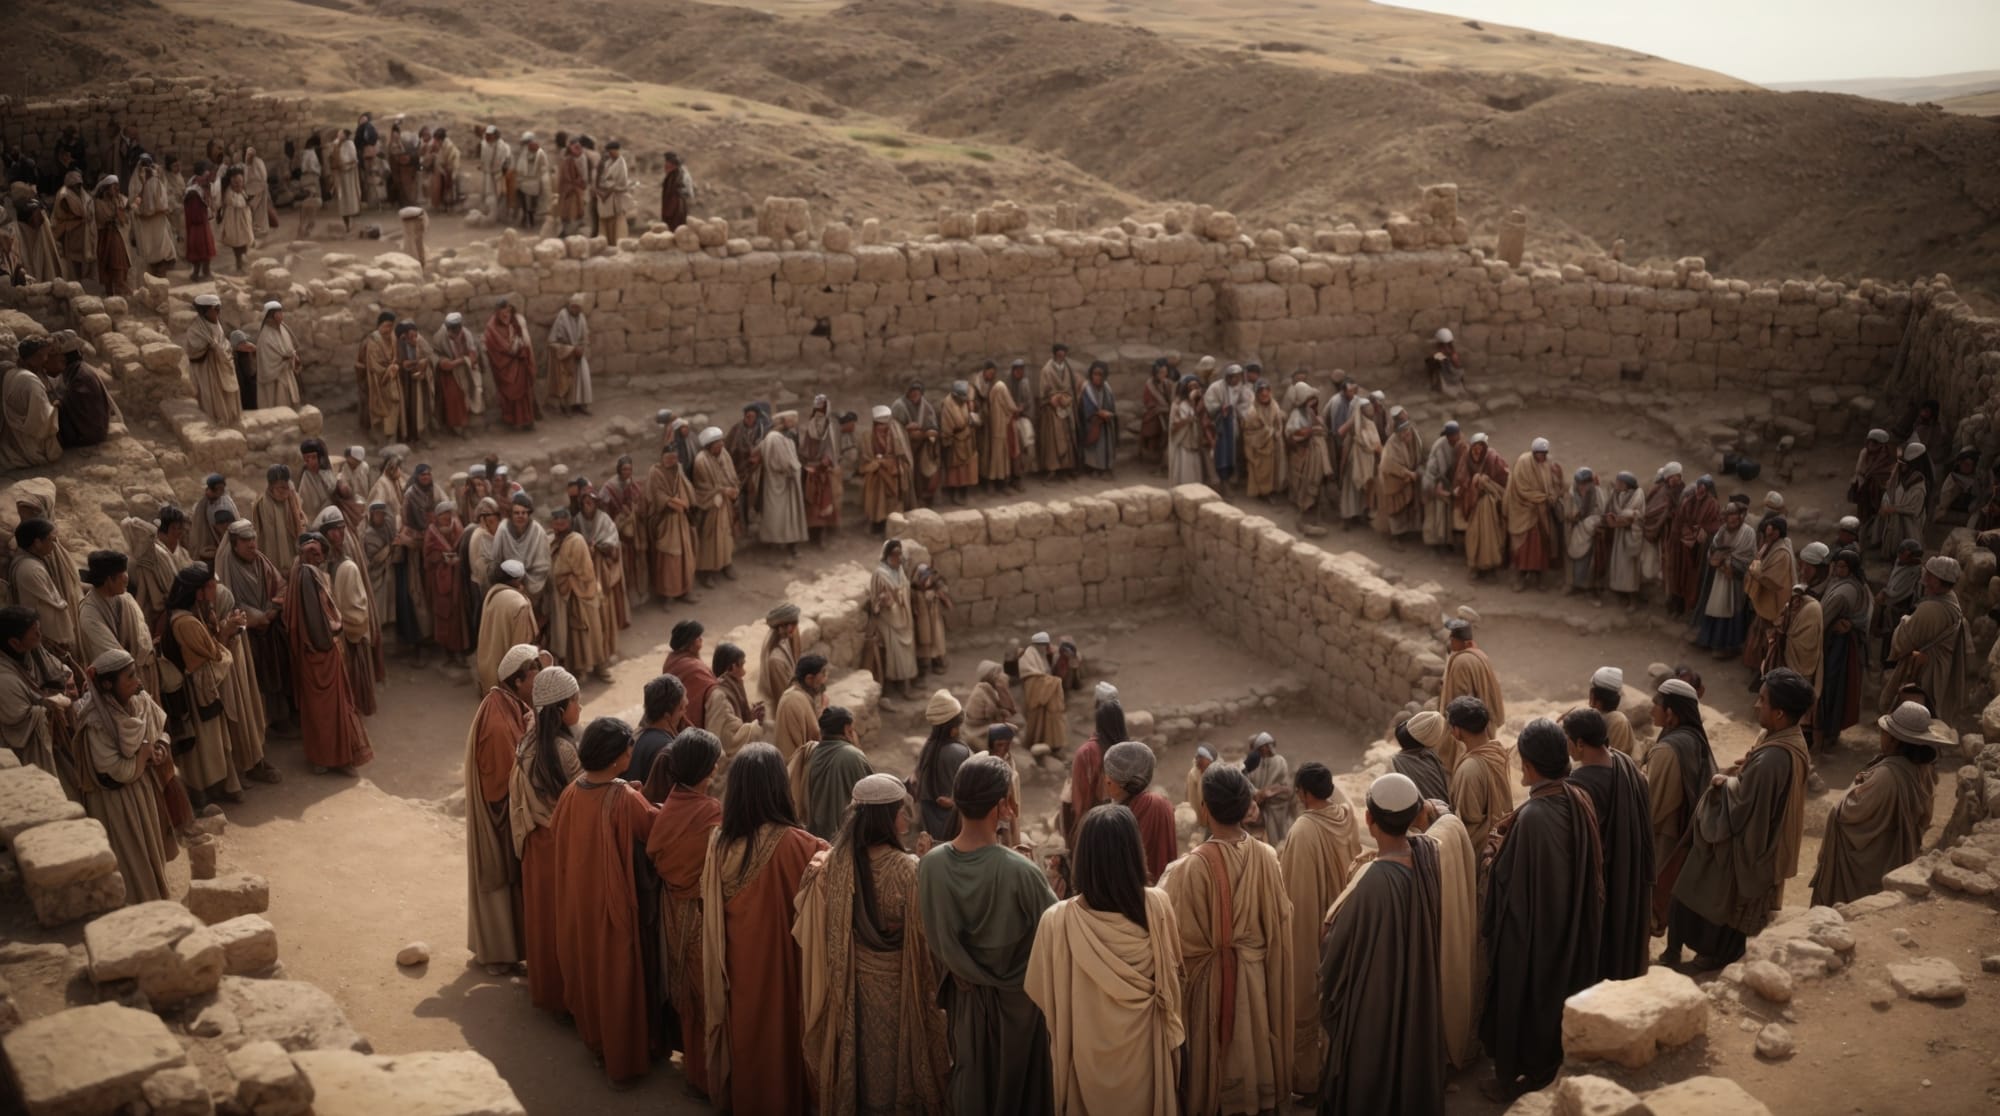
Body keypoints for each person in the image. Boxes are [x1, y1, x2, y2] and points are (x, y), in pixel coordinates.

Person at [794, 771, 951, 1114]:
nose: (906, 817)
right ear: (886, 818)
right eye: (900, 810)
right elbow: (927, 934)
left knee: (860, 1056)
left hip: (853, 981)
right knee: (896, 1060)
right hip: (898, 984)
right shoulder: (906, 868)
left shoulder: (837, 862)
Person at [918, 754, 1058, 1115]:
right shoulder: (1021, 872)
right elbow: (1057, 934)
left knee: (973, 1089)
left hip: (967, 1006)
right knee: (1022, 1093)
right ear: (1002, 807)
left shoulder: (931, 865)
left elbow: (936, 944)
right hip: (1022, 1012)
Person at [1025, 803, 1184, 1116]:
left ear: (1082, 857)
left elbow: (1040, 994)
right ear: (1134, 853)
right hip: (1146, 1059)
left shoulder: (1056, 921)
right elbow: (1175, 974)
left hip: (1084, 1062)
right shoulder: (1157, 906)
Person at [1479, 718, 1604, 1101]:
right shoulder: (1576, 795)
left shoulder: (1534, 817)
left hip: (1533, 932)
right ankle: (1545, 1066)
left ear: (1531, 767)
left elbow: (1508, 882)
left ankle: (1517, 1078)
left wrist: (1490, 857)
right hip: (1567, 920)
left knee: (1524, 1000)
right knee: (1553, 998)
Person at [1160, 763, 1293, 1116]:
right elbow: (1280, 925)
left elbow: (1174, 939)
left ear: (1204, 809)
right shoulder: (1267, 856)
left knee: (1213, 1073)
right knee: (1252, 1053)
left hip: (1208, 989)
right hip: (1256, 979)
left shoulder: (1189, 868)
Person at [700, 742, 826, 1113]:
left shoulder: (719, 844)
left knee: (748, 1036)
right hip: (786, 973)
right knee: (787, 1036)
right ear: (778, 786)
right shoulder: (802, 846)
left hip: (738, 969)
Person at [1315, 772, 1445, 1115]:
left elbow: (1335, 955)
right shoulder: (1427, 855)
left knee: (1371, 1063)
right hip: (1414, 986)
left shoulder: (1372, 883)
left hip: (1376, 997)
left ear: (1369, 819)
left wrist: (1328, 931)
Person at [1671, 668, 1813, 968]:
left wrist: (1722, 784)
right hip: (1755, 841)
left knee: (1707, 894)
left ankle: (1714, 958)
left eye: (1763, 700)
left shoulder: (1774, 757)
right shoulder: (1783, 739)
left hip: (1746, 850)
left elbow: (1741, 809)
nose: (1756, 705)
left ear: (1780, 713)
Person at [544, 716, 659, 1083]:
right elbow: (654, 831)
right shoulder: (622, 798)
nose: (632, 752)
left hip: (579, 903)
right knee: (617, 977)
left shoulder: (572, 792)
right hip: (612, 910)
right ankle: (622, 1059)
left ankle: (597, 1044)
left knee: (590, 971)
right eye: (628, 748)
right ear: (614, 758)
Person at [642, 729, 723, 1097]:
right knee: (707, 994)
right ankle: (708, 1076)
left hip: (674, 910)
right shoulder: (709, 813)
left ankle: (694, 1067)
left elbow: (659, 852)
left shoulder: (670, 802)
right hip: (702, 914)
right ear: (707, 770)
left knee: (687, 991)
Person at [1275, 761, 1360, 1100]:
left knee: (1308, 1000)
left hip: (1314, 927)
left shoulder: (1303, 830)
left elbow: (1294, 894)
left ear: (1305, 794)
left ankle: (1311, 1081)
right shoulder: (1346, 816)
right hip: (1343, 920)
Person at [1810, 701, 1943, 907]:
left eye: (1885, 733)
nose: (1882, 737)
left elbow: (1846, 812)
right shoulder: (1921, 769)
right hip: (1892, 853)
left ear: (1895, 740)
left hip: (1868, 864)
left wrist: (1857, 783)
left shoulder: (1886, 777)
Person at [1561, 708, 1655, 982]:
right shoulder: (1627, 766)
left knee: (1602, 947)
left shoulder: (1579, 786)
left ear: (1579, 743)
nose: (1566, 745)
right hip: (1633, 876)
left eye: (1568, 739)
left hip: (1602, 885)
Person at [73, 648, 173, 902]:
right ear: (108, 684)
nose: (137, 681)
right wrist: (142, 756)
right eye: (129, 676)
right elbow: (115, 770)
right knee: (131, 860)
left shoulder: (138, 700)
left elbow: (158, 728)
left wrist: (158, 748)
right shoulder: (95, 721)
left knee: (150, 851)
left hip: (142, 791)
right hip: (117, 802)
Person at [465, 643, 539, 975]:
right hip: (497, 819)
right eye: (535, 675)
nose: (538, 681)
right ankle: (497, 955)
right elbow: (501, 784)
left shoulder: (507, 704)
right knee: (499, 885)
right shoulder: (497, 724)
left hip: (504, 813)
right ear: (518, 680)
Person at [511, 666, 582, 1014]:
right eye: (575, 701)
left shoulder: (528, 739)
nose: (580, 708)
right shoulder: (563, 751)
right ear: (558, 710)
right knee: (563, 924)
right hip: (559, 845)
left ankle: (545, 993)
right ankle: (566, 999)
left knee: (541, 920)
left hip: (536, 843)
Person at [284, 532, 374, 775]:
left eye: (318, 552)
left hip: (316, 652)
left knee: (329, 709)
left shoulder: (303, 573)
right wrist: (330, 639)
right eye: (312, 552)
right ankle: (330, 758)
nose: (317, 556)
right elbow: (315, 621)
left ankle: (333, 758)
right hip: (320, 653)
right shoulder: (307, 575)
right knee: (327, 710)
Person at [1881, 555, 1973, 723]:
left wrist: (1905, 620)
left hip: (1928, 671)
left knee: (1917, 717)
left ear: (1940, 580)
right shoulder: (1950, 598)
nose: (1925, 580)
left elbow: (1902, 642)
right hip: (1941, 666)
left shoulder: (1930, 610)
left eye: (1930, 576)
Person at [1817, 548, 1874, 751]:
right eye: (1837, 565)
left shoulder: (1846, 591)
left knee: (1833, 686)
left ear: (1851, 569)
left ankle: (1828, 731)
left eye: (1843, 566)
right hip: (1835, 641)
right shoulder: (1842, 583)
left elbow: (1823, 620)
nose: (1838, 569)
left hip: (1840, 648)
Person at [792, 704, 874, 840]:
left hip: (817, 839)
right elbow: (874, 798)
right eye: (852, 730)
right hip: (845, 841)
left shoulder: (812, 752)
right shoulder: (853, 756)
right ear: (847, 730)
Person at [1444, 696, 1511, 858]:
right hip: (1502, 843)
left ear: (1457, 730)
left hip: (1479, 853)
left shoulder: (1469, 769)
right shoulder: (1497, 751)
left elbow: (1467, 820)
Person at [1100, 741, 1177, 883]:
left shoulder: (1149, 806)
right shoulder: (1157, 803)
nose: (1105, 780)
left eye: (1109, 775)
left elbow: (1127, 863)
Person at [1690, 501, 1756, 657]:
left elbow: (1748, 556)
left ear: (1740, 516)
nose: (1731, 520)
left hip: (1734, 577)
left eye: (1734, 516)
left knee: (1731, 607)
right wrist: (1715, 558)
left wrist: (1727, 562)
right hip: (1720, 576)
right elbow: (1713, 547)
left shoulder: (1748, 532)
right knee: (1715, 605)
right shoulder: (1722, 531)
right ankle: (1707, 640)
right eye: (1728, 516)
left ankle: (1728, 646)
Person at [1503, 437, 1562, 590]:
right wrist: (1543, 498)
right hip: (1522, 511)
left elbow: (1551, 486)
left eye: (1544, 453)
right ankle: (1520, 578)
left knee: (1540, 546)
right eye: (1539, 453)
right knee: (1522, 547)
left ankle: (1538, 578)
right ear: (1534, 452)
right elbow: (1521, 489)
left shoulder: (1546, 465)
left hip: (1540, 513)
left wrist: (1557, 479)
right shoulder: (1523, 462)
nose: (1542, 456)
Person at [913, 688, 971, 843]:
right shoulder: (959, 752)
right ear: (953, 730)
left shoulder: (928, 748)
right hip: (953, 828)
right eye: (958, 726)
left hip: (928, 825)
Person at [869, 539, 918, 698]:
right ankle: (890, 688)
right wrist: (883, 600)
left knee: (907, 653)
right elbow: (874, 600)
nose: (898, 558)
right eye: (895, 554)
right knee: (893, 653)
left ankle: (907, 686)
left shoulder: (900, 571)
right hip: (888, 620)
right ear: (887, 556)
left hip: (904, 618)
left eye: (899, 554)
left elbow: (905, 589)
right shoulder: (879, 574)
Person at [184, 294, 242, 426]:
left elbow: (223, 342)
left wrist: (223, 349)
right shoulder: (196, 329)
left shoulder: (216, 324)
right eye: (215, 309)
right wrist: (211, 347)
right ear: (205, 311)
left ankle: (229, 420)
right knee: (211, 398)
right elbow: (193, 349)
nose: (218, 312)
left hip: (222, 366)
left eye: (218, 308)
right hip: (207, 371)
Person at [757, 410, 809, 554]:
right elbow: (783, 463)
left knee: (782, 515)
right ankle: (780, 544)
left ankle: (783, 544)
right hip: (781, 483)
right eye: (792, 420)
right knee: (782, 514)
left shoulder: (781, 438)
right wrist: (797, 468)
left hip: (783, 483)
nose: (794, 423)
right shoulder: (775, 438)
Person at [0, 343, 60, 469]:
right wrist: (55, 408)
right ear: (36, 357)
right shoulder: (31, 381)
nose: (46, 360)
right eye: (44, 356)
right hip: (30, 444)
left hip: (12, 437)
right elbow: (42, 421)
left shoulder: (12, 373)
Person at [692, 427, 739, 585]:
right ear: (709, 446)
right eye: (717, 445)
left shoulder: (724, 454)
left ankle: (726, 564)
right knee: (710, 539)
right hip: (711, 505)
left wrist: (733, 489)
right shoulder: (701, 461)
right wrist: (723, 490)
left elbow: (731, 474)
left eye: (721, 443)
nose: (721, 447)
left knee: (726, 535)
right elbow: (703, 487)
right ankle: (706, 572)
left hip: (725, 503)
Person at [1018, 631, 1067, 760]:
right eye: (1043, 645)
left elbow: (1045, 673)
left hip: (1043, 689)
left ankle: (1053, 744)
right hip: (1034, 689)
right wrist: (1053, 682)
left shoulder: (1042, 656)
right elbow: (1031, 677)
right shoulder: (1027, 657)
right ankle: (1037, 744)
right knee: (1056, 684)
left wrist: (1050, 682)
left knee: (1052, 712)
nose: (1045, 648)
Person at [1876, 441, 1930, 554]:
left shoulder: (1918, 484)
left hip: (1909, 524)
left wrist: (1893, 509)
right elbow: (1891, 490)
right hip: (1896, 520)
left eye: (1904, 465)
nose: (1900, 467)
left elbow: (1914, 509)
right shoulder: (1902, 476)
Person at [776, 654, 829, 761]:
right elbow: (816, 735)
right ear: (809, 678)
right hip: (794, 764)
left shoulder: (801, 694)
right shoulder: (795, 698)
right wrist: (824, 709)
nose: (824, 680)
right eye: (822, 675)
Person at [547, 295, 594, 416]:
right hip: (565, 355)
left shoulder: (582, 317)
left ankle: (581, 405)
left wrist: (582, 349)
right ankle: (567, 406)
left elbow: (585, 338)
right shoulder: (562, 316)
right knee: (567, 382)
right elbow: (552, 342)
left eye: (578, 308)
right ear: (569, 306)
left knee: (583, 378)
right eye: (573, 307)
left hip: (579, 354)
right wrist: (571, 349)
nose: (576, 310)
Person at [1242, 381, 1286, 500]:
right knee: (1261, 469)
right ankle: (1262, 493)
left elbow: (1278, 424)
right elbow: (1249, 432)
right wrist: (1267, 433)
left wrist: (1276, 432)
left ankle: (1273, 490)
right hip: (1259, 445)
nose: (1265, 396)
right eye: (1262, 394)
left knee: (1275, 468)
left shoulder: (1274, 406)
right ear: (1257, 395)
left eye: (1267, 393)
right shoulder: (1252, 412)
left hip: (1274, 443)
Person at [91, 175, 132, 296]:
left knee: (118, 265)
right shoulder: (98, 203)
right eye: (114, 187)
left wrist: (119, 206)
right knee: (107, 269)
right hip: (105, 237)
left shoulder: (118, 200)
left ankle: (124, 295)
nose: (117, 189)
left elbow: (123, 219)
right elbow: (104, 218)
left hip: (115, 236)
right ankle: (111, 298)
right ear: (106, 188)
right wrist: (117, 209)